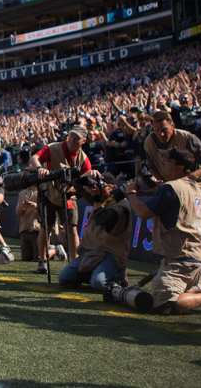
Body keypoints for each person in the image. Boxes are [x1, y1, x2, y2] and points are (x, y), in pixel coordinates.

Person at [124, 147, 201, 317]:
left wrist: (131, 193)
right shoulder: (193, 186)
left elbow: (142, 213)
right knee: (170, 298)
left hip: (179, 261)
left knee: (162, 305)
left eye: (167, 161)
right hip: (196, 258)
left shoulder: (170, 188)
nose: (162, 163)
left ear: (180, 168)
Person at [29, 124, 91, 269]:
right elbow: (34, 158)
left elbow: (86, 182)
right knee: (46, 227)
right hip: (48, 192)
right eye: (71, 136)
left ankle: (75, 263)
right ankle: (43, 261)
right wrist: (40, 169)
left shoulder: (83, 158)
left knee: (72, 229)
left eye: (77, 138)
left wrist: (74, 189)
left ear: (83, 141)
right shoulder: (53, 148)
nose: (72, 140)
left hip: (68, 196)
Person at [58, 175, 132, 291]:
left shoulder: (120, 204)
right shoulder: (103, 200)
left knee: (98, 284)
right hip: (93, 252)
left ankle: (119, 275)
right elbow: (78, 185)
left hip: (111, 253)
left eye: (103, 186)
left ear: (113, 188)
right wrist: (87, 175)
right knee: (64, 278)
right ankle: (95, 273)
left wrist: (96, 198)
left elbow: (101, 219)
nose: (100, 189)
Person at [144, 109, 201, 214]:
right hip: (175, 190)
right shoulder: (149, 142)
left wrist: (192, 177)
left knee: (200, 225)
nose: (161, 134)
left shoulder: (187, 138)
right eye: (157, 130)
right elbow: (153, 169)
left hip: (198, 188)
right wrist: (162, 187)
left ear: (172, 125)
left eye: (165, 129)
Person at [15, 184, 40, 262]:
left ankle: (55, 250)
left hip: (37, 228)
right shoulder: (22, 193)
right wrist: (22, 206)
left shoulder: (42, 192)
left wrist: (35, 205)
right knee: (26, 258)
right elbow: (18, 213)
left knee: (38, 257)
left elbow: (46, 209)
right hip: (24, 228)